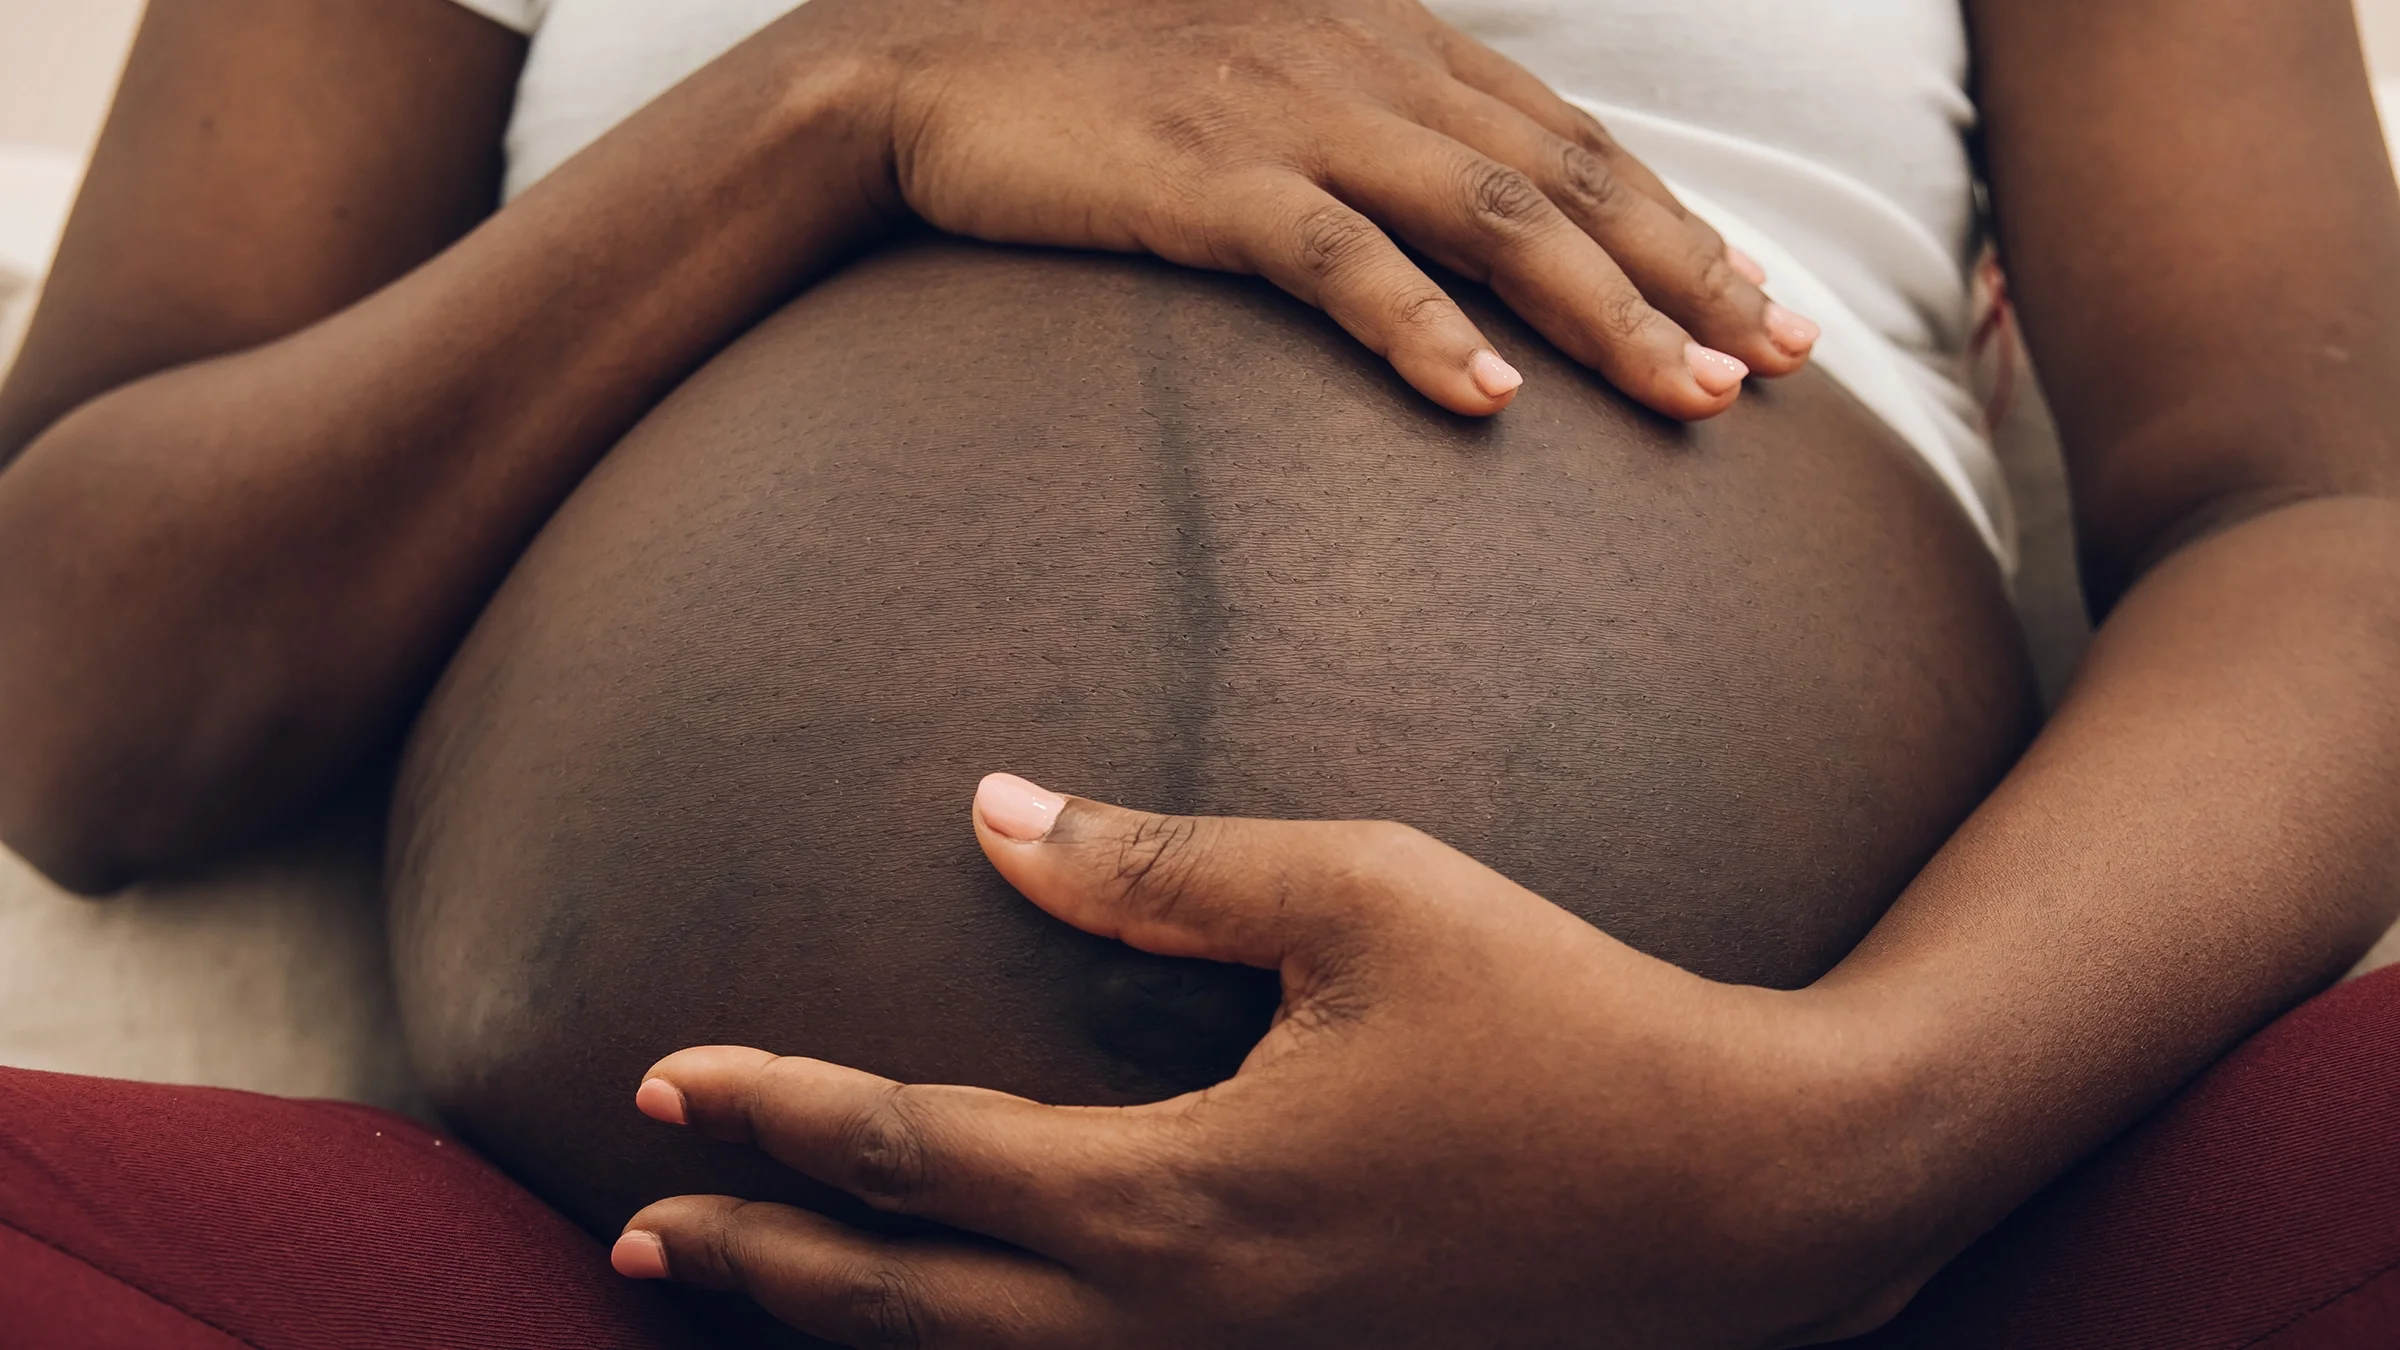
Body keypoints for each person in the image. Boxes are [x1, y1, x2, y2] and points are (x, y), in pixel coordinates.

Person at [0, 2, 2394, 1349]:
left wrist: (1846, 1145)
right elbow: (70, 684)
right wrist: (841, 100)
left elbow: (2331, 512)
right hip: (626, 1297)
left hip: (1849, 1295)